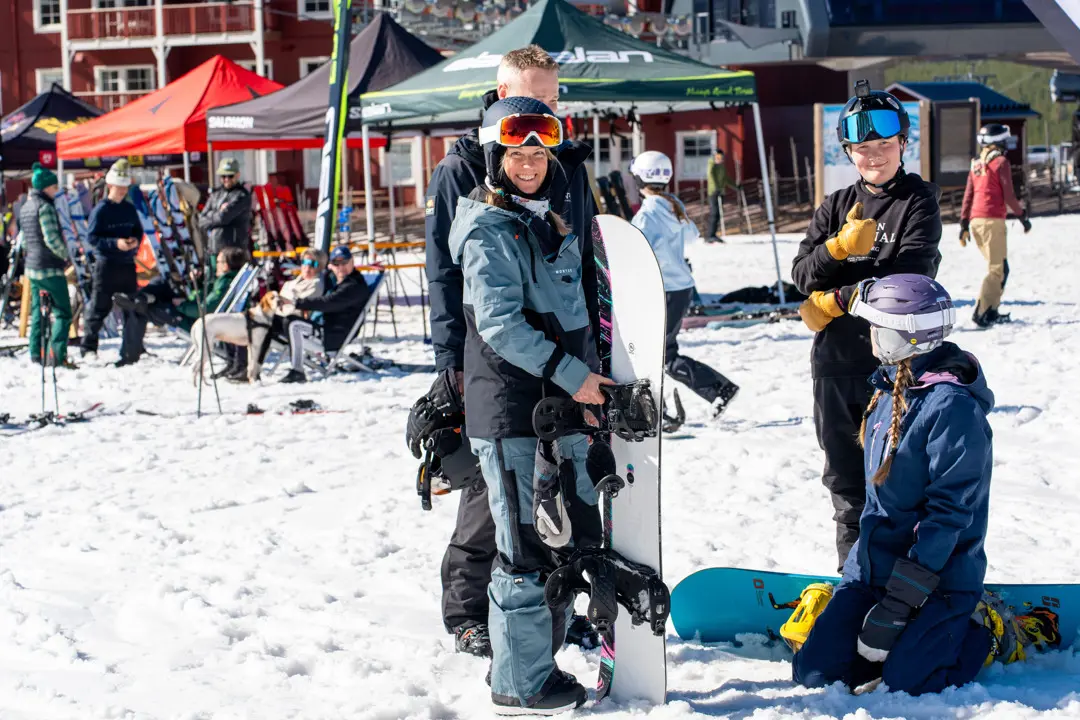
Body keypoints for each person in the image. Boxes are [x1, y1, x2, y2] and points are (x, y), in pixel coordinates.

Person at [409, 44, 601, 659]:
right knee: (490, 493)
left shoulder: (563, 159)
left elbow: (584, 255)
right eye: (529, 97)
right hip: (488, 353)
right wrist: (449, 362)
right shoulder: (465, 165)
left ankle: (545, 613)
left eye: (550, 100)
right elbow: (444, 272)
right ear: (497, 93)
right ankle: (469, 612)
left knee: (550, 491)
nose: (541, 110)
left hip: (556, 352)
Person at [791, 274, 1059, 694]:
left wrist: (898, 605)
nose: (871, 336)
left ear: (909, 337)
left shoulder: (951, 409)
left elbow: (948, 516)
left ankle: (987, 627)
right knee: (815, 674)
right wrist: (858, 585)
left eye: (879, 327)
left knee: (909, 680)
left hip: (940, 577)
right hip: (874, 569)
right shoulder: (888, 386)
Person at [448, 96, 607, 715]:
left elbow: (573, 313)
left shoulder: (542, 219)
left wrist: (589, 385)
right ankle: (519, 681)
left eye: (538, 152)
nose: (529, 163)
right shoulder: (489, 230)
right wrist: (577, 378)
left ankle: (543, 656)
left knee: (559, 541)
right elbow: (502, 326)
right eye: (516, 153)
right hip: (515, 411)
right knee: (522, 549)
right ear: (494, 157)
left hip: (557, 407)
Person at [792, 80, 943, 571]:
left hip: (894, 368)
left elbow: (911, 278)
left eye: (884, 145)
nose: (874, 156)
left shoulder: (918, 201)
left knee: (897, 486)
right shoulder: (835, 206)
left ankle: (900, 591)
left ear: (903, 144)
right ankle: (853, 582)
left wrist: (838, 297)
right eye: (863, 148)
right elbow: (800, 275)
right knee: (846, 488)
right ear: (849, 152)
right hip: (834, 367)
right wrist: (836, 248)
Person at [629, 150, 739, 416]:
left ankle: (710, 392)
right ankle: (664, 407)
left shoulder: (646, 216)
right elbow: (691, 236)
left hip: (663, 289)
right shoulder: (672, 204)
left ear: (639, 179)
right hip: (679, 288)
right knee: (657, 353)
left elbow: (637, 251)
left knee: (659, 355)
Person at [115, 246, 247, 369]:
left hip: (195, 323)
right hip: (192, 313)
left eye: (218, 262)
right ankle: (141, 299)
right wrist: (198, 282)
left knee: (149, 308)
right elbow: (205, 299)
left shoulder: (225, 283)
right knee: (161, 287)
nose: (216, 265)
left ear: (226, 265)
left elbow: (205, 309)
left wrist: (182, 305)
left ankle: (139, 301)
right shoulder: (224, 280)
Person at [959, 123, 1032, 328]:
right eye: (1003, 140)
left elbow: (969, 194)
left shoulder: (976, 163)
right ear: (996, 142)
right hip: (992, 221)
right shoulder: (1000, 162)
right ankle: (982, 312)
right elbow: (1008, 195)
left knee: (1002, 268)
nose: (1005, 144)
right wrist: (1022, 217)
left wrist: (964, 223)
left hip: (976, 221)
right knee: (996, 270)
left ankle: (992, 310)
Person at [81, 159, 144, 366]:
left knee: (132, 307)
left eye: (125, 188)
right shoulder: (101, 210)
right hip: (106, 264)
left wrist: (134, 241)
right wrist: (115, 243)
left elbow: (138, 230)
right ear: (110, 186)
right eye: (119, 188)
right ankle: (88, 347)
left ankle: (134, 346)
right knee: (99, 307)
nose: (122, 192)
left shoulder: (129, 208)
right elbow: (92, 238)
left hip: (126, 263)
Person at [279, 244, 371, 384]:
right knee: (278, 322)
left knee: (293, 324)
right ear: (331, 266)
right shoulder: (337, 280)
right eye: (336, 263)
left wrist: (297, 302)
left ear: (352, 261)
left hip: (334, 335)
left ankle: (297, 370)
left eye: (344, 262)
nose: (340, 267)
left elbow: (329, 303)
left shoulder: (354, 286)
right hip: (326, 328)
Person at [20, 163, 74, 368]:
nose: (56, 190)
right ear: (45, 188)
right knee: (62, 312)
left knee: (38, 312)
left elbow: (24, 241)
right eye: (53, 187)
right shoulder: (45, 207)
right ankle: (56, 355)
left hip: (32, 268)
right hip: (49, 267)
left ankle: (36, 352)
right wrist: (67, 256)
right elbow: (51, 239)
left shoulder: (26, 207)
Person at [199, 158, 251, 254]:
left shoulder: (241, 195)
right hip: (213, 247)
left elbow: (224, 218)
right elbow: (201, 220)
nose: (226, 179)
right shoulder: (215, 194)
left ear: (237, 175)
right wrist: (219, 212)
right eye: (223, 176)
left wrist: (212, 214)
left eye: (230, 176)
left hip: (234, 250)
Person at [705, 148, 739, 243]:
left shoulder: (721, 166)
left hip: (720, 192)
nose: (719, 159)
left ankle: (713, 234)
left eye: (721, 157)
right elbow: (710, 175)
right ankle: (709, 236)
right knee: (714, 213)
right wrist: (716, 188)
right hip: (713, 192)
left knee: (718, 214)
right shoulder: (711, 164)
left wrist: (736, 187)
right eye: (717, 157)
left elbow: (726, 179)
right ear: (714, 157)